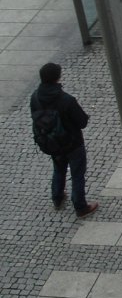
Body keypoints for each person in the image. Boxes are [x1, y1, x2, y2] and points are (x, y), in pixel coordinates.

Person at [30, 63, 98, 217]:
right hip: (73, 144)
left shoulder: (35, 97)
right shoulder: (66, 100)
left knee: (58, 168)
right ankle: (80, 206)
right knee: (77, 174)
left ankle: (57, 197)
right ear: (57, 78)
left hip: (52, 142)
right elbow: (82, 122)